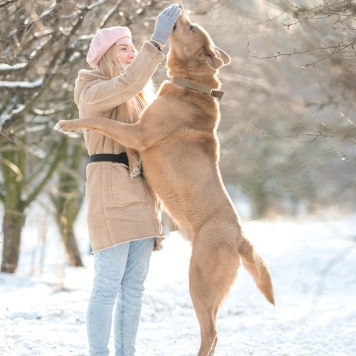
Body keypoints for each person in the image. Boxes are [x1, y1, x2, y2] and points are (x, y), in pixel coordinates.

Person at [74, 4, 182, 356]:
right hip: (111, 194)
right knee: (107, 286)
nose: (132, 51)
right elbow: (128, 81)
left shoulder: (136, 95)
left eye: (133, 47)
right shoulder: (91, 89)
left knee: (134, 290)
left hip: (142, 197)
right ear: (105, 54)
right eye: (124, 47)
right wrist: (157, 40)